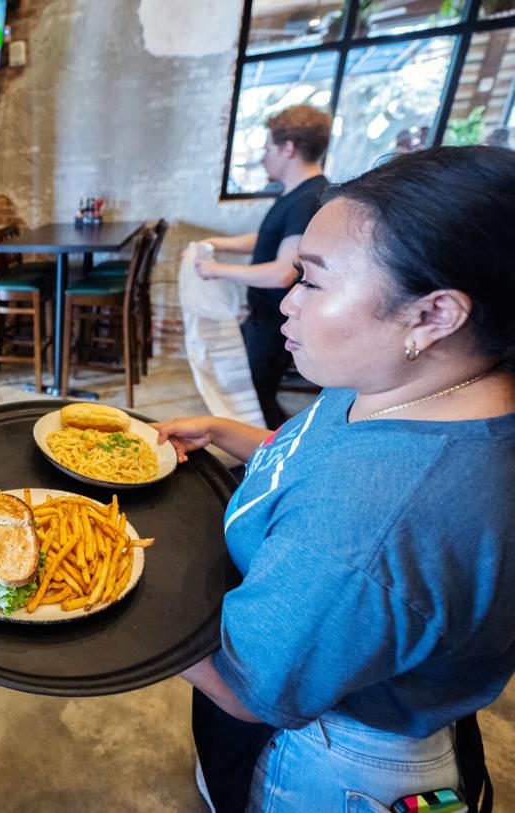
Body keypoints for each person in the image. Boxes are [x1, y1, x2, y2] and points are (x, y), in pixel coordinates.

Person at [155, 146, 515, 812]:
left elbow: (247, 687)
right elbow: (326, 452)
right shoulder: (407, 380)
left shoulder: (367, 528)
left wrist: (117, 618)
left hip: (332, 755)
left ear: (435, 314)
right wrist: (238, 436)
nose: (285, 301)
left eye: (313, 282)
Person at [196, 104, 332, 428]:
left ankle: (275, 456)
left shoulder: (306, 199)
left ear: (288, 148)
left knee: (257, 397)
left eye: (268, 147)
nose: (262, 157)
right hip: (263, 318)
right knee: (248, 390)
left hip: (273, 322)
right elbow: (268, 238)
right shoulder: (296, 194)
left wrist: (216, 269)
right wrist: (220, 243)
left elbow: (283, 272)